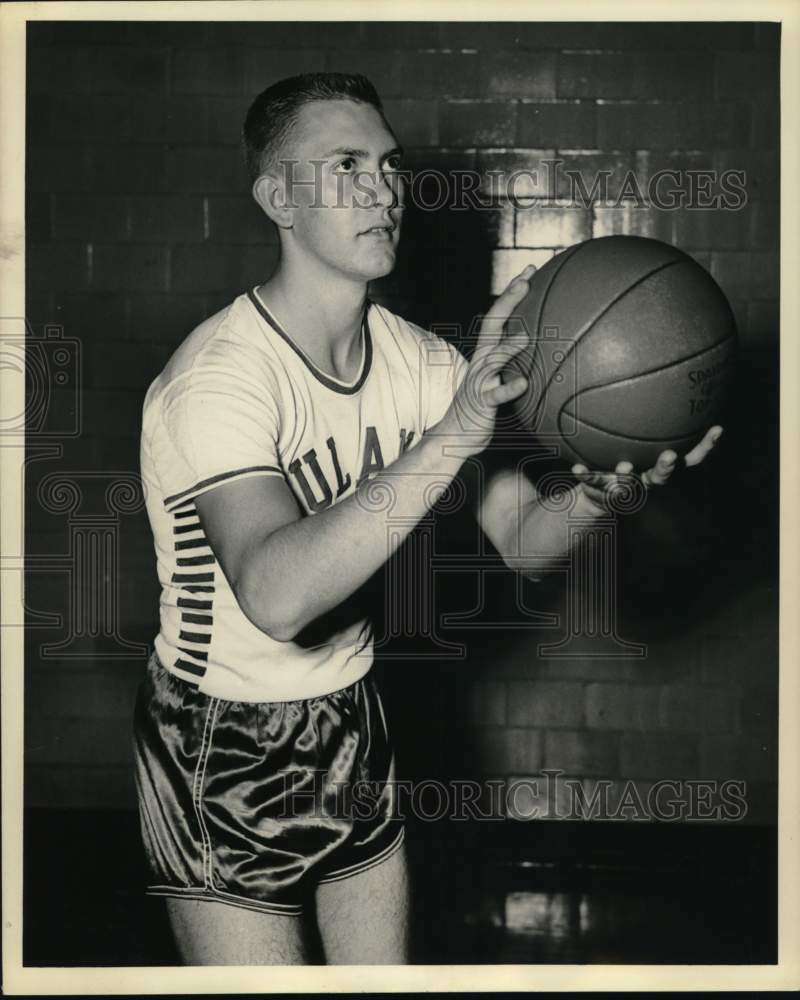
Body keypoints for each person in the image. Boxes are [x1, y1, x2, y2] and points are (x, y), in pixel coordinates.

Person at [132, 73, 721, 966]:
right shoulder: (219, 379)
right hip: (221, 741)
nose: (383, 190)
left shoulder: (421, 362)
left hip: (351, 717)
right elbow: (277, 596)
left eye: (389, 166)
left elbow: (525, 540)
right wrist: (453, 435)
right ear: (275, 198)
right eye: (345, 166)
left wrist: (603, 493)